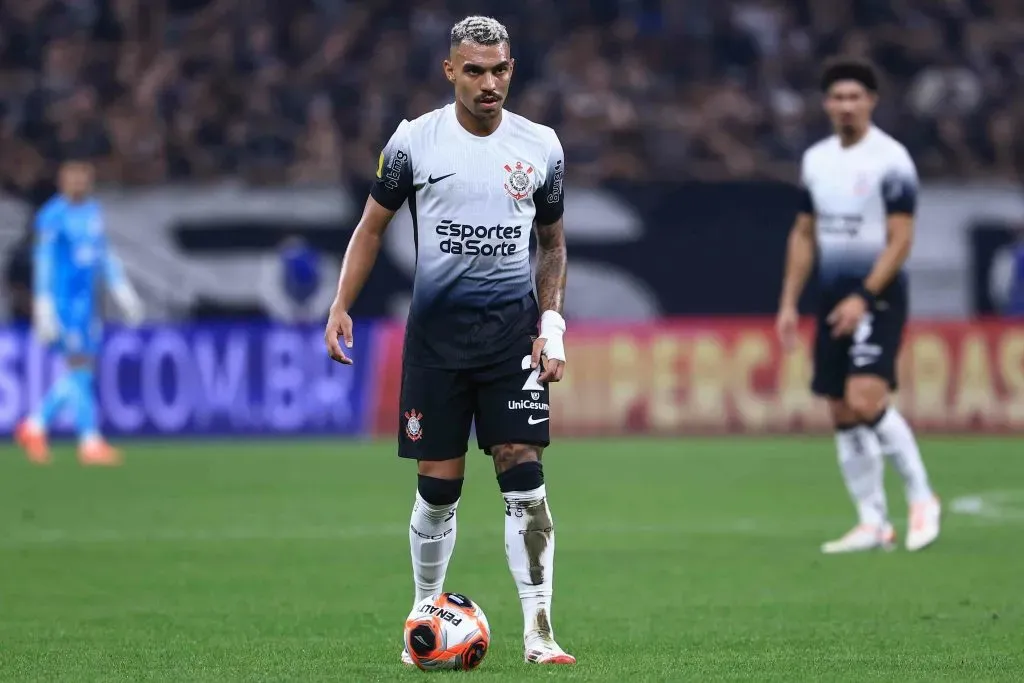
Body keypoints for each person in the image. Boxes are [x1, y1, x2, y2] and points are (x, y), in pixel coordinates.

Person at [323, 15, 574, 666]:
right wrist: (341, 303)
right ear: (450, 71)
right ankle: (423, 616)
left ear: (511, 69)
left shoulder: (541, 146)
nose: (489, 83)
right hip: (436, 341)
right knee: (439, 490)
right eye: (475, 71)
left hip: (510, 339)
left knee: (524, 477)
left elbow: (551, 243)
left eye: (500, 70)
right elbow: (371, 227)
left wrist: (551, 325)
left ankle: (540, 631)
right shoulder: (414, 143)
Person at [776, 59, 941, 554]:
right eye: (837, 98)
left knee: (867, 398)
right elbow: (804, 233)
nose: (846, 106)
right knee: (842, 408)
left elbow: (901, 239)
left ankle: (922, 497)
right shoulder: (816, 160)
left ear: (871, 101)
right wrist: (788, 302)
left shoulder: (892, 159)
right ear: (827, 104)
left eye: (855, 97)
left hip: (878, 294)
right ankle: (873, 523)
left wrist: (864, 297)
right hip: (830, 294)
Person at [14, 159, 144, 466]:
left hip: (87, 306)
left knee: (82, 371)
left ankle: (35, 426)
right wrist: (44, 305)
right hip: (63, 305)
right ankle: (89, 441)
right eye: (73, 180)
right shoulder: (51, 216)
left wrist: (121, 289)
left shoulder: (92, 212)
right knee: (79, 368)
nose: (78, 185)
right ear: (62, 182)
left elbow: (102, 255)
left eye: (83, 180)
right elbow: (44, 262)